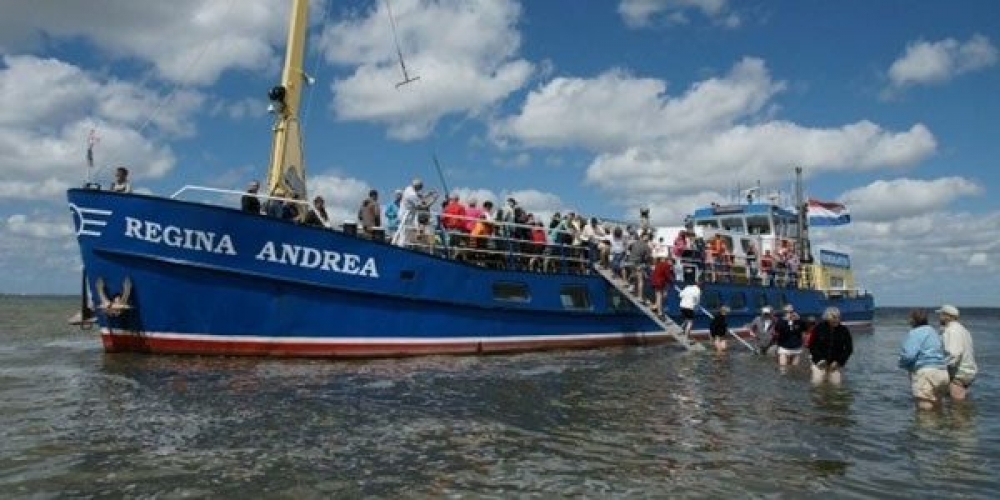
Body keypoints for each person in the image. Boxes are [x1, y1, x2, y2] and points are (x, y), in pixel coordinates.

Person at [899, 308, 950, 410]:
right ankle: (943, 425)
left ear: (913, 320)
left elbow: (909, 355)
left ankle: (925, 426)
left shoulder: (914, 333)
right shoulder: (933, 331)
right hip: (942, 372)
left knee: (924, 412)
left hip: (926, 373)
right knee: (938, 408)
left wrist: (902, 363)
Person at [937, 304, 978, 400]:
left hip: (959, 373)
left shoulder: (951, 331)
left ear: (946, 316)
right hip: (968, 371)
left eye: (940, 315)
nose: (939, 318)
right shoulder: (963, 329)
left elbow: (954, 354)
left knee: (957, 405)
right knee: (960, 403)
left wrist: (940, 367)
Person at [809, 306, 853, 384]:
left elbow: (849, 349)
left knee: (836, 387)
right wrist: (820, 359)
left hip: (835, 364)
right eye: (834, 317)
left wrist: (839, 362)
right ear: (827, 317)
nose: (837, 320)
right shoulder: (818, 328)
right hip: (819, 362)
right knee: (818, 384)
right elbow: (812, 345)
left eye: (838, 317)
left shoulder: (844, 330)